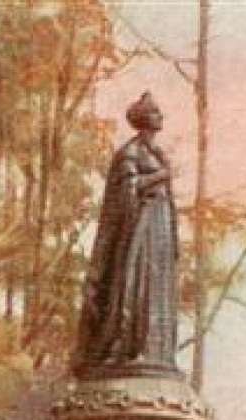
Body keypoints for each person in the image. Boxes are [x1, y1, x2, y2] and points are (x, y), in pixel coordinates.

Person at [76, 92, 180, 372]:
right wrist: (161, 176)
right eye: (156, 113)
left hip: (159, 232)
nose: (160, 117)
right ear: (145, 120)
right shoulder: (130, 153)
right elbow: (126, 194)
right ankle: (127, 346)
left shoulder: (157, 153)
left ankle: (152, 349)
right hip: (138, 232)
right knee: (135, 286)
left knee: (156, 290)